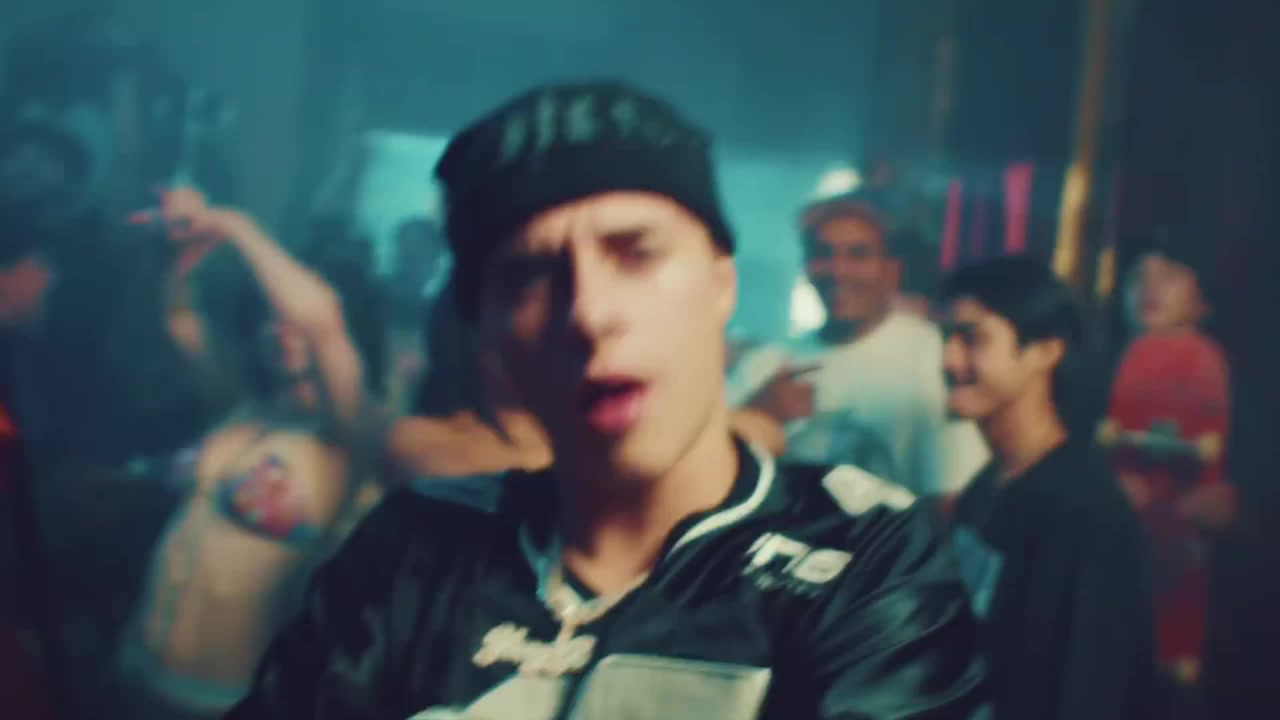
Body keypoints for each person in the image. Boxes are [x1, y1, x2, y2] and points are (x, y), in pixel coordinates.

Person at [228, 82, 986, 719]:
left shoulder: (863, 559)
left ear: (721, 283)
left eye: (636, 253)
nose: (589, 313)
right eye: (528, 276)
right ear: (485, 333)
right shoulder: (411, 548)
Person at [939, 256, 1156, 720]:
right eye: (947, 338)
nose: (948, 360)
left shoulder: (1084, 512)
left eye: (972, 338)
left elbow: (1085, 694)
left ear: (1044, 351)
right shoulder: (986, 488)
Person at [729, 191, 987, 495]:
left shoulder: (934, 356)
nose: (838, 270)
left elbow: (952, 497)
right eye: (823, 254)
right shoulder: (768, 363)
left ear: (891, 271)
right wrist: (757, 415)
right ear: (806, 266)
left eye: (858, 254)